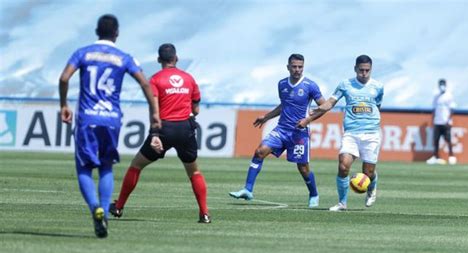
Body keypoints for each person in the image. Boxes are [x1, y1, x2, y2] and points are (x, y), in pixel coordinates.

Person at [59, 15, 160, 238]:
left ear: (97, 31)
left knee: (84, 168)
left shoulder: (83, 52)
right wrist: (153, 112)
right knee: (106, 167)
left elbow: (65, 78)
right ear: (117, 33)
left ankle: (95, 206)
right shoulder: (124, 57)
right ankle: (104, 213)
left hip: (87, 118)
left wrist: (64, 104)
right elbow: (144, 82)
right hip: (111, 118)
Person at [109, 43, 211, 223]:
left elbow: (154, 108)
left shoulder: (155, 80)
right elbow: (196, 110)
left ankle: (118, 207)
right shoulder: (189, 78)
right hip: (185, 128)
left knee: (136, 165)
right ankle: (204, 214)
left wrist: (154, 133)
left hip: (164, 129)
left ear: (158, 60)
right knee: (194, 172)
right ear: (176, 58)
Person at [229, 54, 325, 208]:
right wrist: (266, 117)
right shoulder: (282, 84)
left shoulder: (310, 86)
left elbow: (323, 107)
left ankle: (313, 194)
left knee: (303, 168)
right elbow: (283, 106)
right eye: (294, 66)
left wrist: (308, 120)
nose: (297, 69)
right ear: (288, 67)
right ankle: (247, 189)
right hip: (281, 129)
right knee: (260, 151)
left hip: (299, 133)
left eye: (300, 67)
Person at [298, 55, 384, 211]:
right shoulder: (345, 85)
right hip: (351, 132)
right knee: (344, 166)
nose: (364, 73)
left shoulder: (378, 86)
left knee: (368, 172)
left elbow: (377, 105)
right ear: (355, 69)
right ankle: (342, 203)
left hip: (371, 133)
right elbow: (330, 102)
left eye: (367, 70)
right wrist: (318, 110)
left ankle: (372, 186)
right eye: (361, 70)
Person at [426, 79, 457, 165]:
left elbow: (452, 109)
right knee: (436, 140)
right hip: (437, 121)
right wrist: (433, 120)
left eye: (443, 84)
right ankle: (436, 157)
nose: (441, 86)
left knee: (448, 140)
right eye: (440, 84)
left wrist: (448, 120)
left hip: (446, 122)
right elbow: (434, 109)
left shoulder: (449, 96)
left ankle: (451, 156)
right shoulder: (436, 96)